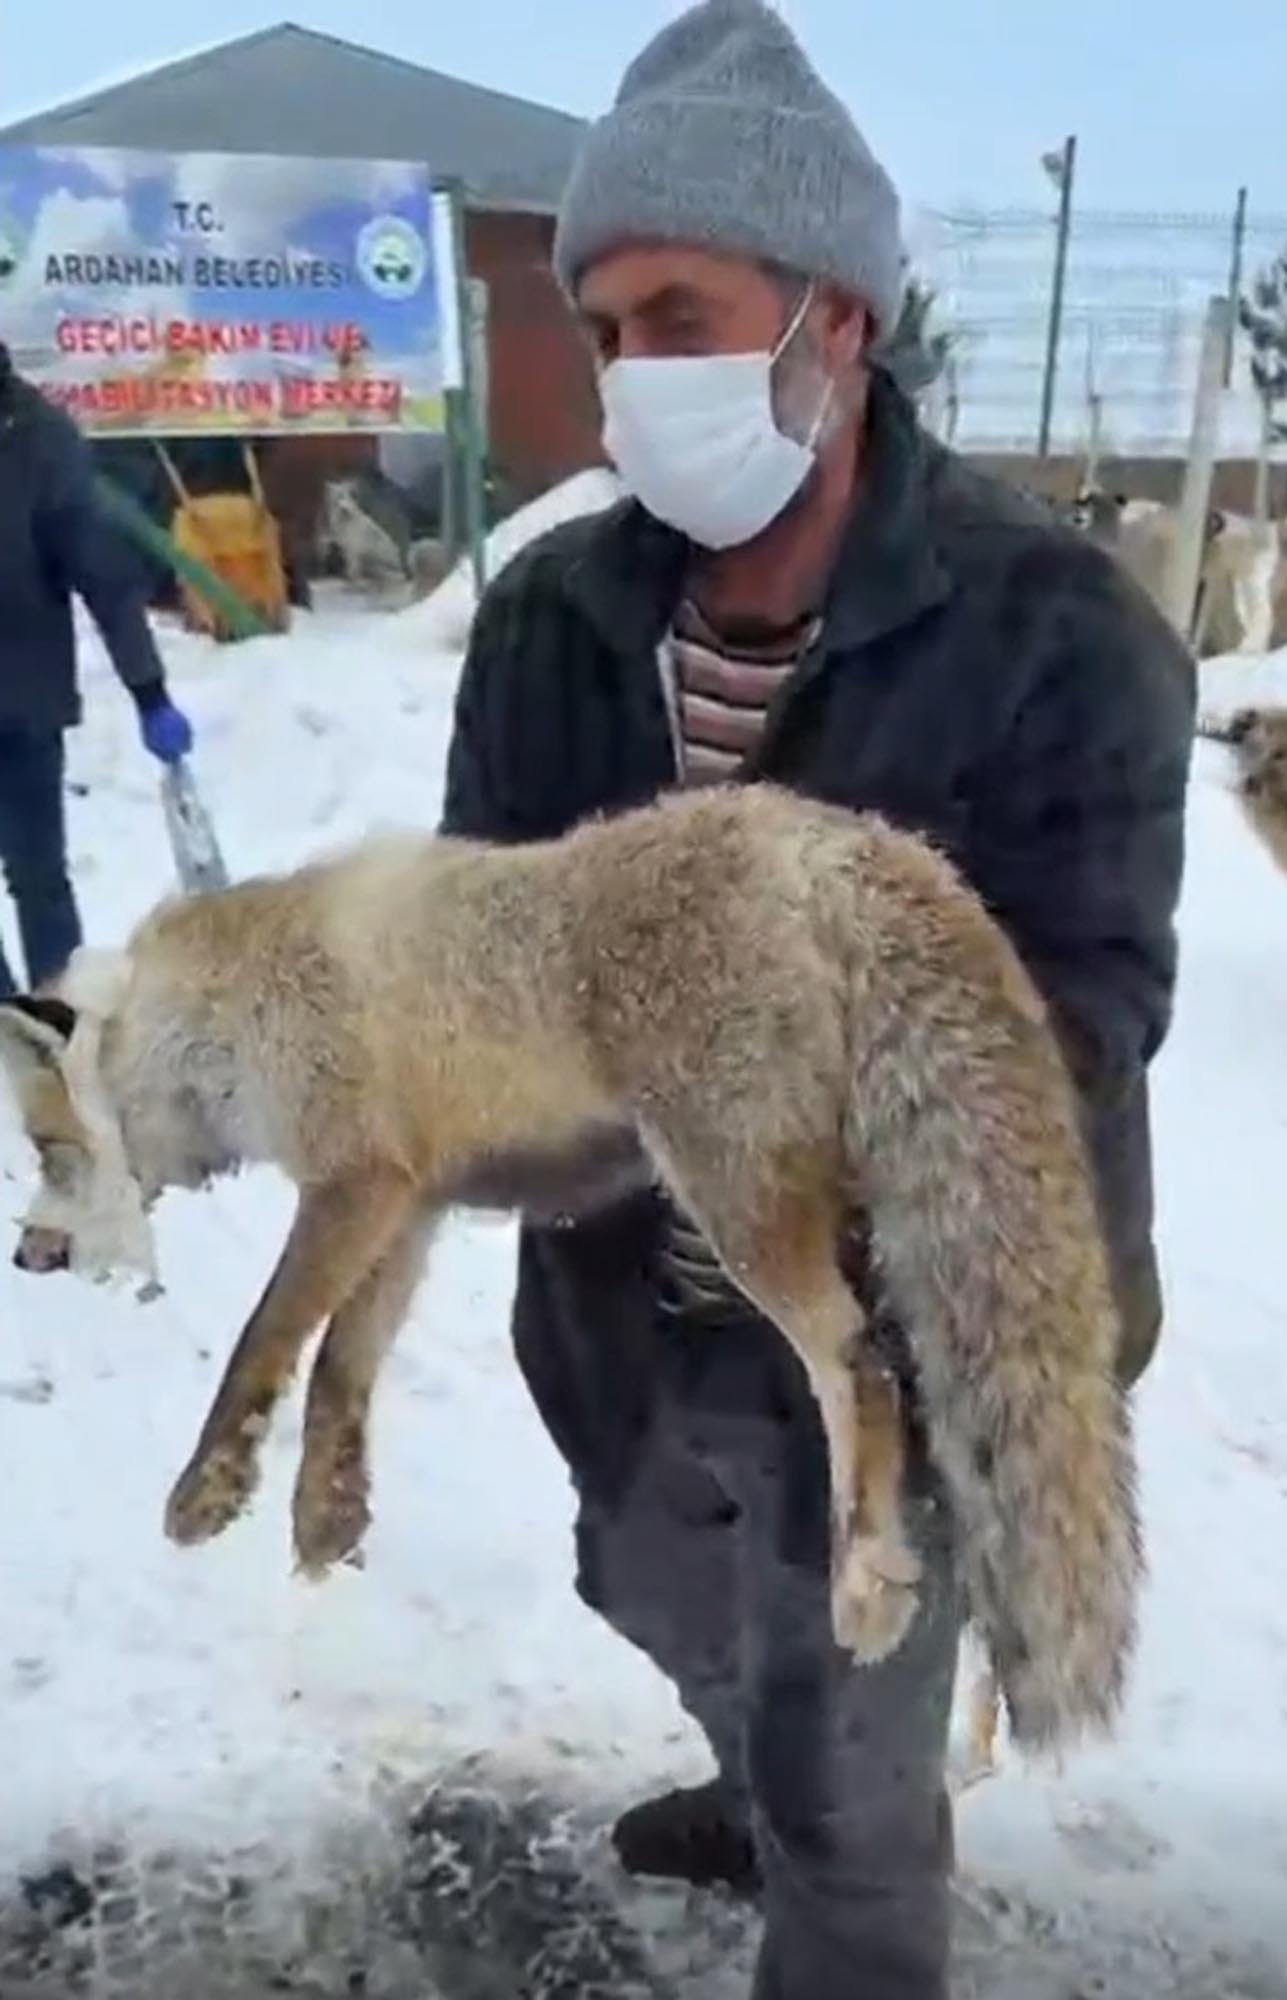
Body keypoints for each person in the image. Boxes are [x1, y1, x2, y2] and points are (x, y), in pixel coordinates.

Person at [439, 2, 1196, 1993]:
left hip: (913, 1337)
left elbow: (1083, 1009)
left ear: (834, 320)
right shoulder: (548, 623)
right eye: (600, 329)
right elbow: (478, 942)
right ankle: (759, 1755)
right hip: (626, 1307)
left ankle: (829, 1818)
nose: (627, 376)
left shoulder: (1059, 631)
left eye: (676, 312)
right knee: (652, 1585)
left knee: (855, 1805)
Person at [0, 339, 193, 997]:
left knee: (39, 878)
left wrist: (149, 691)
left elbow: (103, 576)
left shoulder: (39, 441)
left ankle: (61, 1025)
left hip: (19, 701)